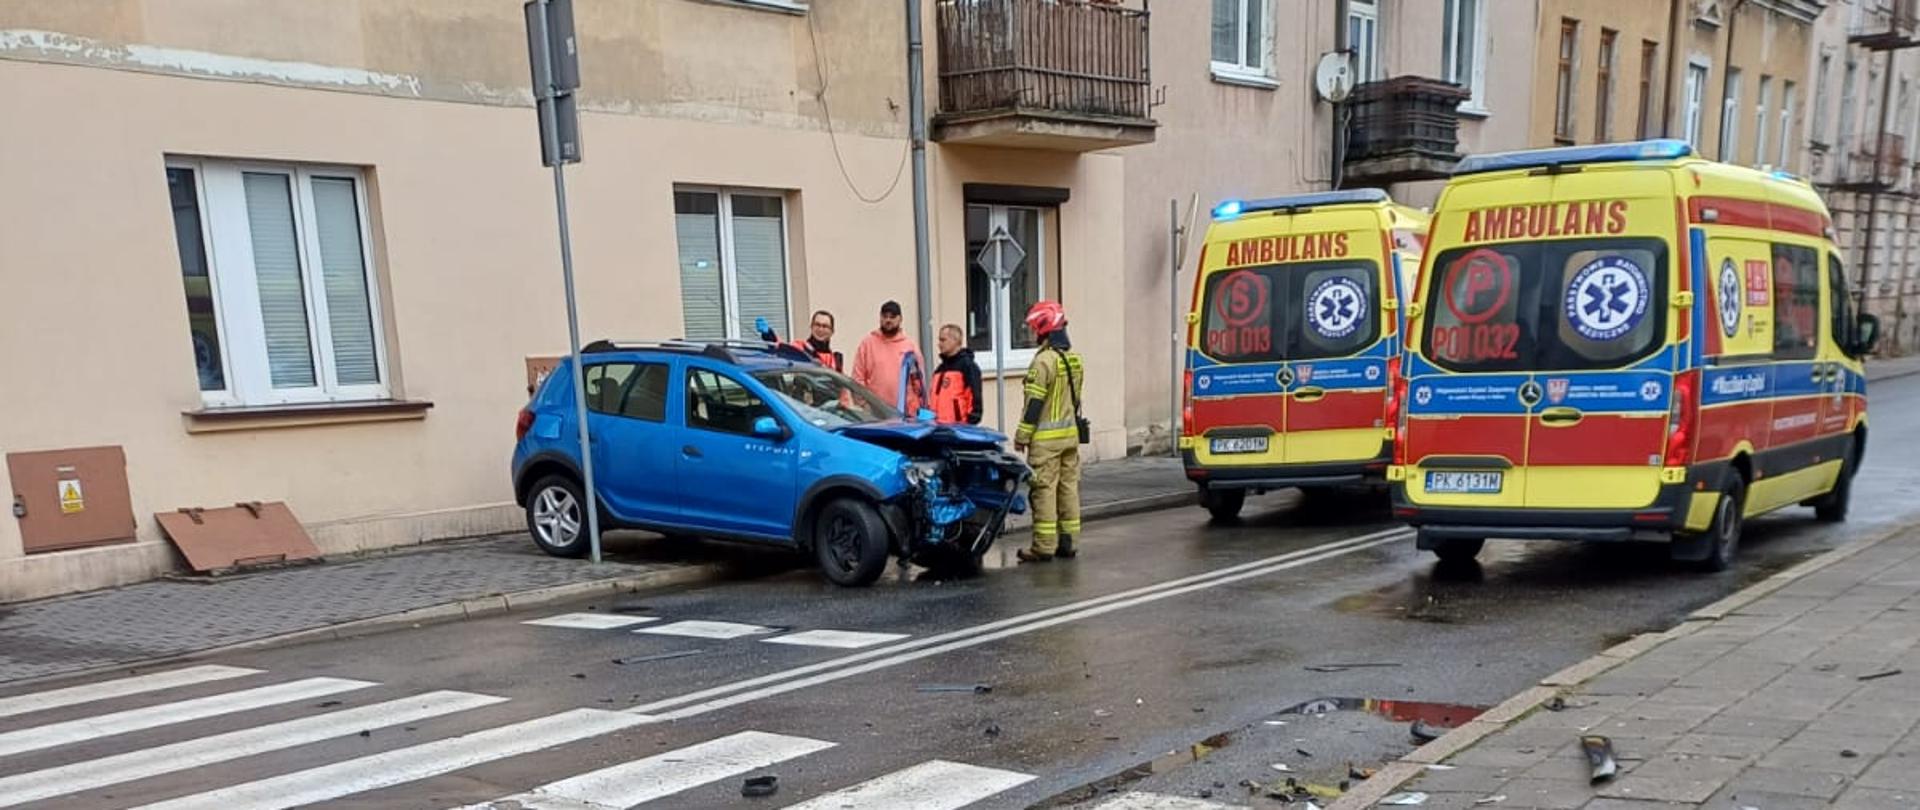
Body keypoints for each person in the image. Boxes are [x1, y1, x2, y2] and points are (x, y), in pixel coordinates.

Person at [1014, 300, 1086, 563]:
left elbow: (1034, 405)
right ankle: (1068, 543)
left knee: (1043, 491)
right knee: (1068, 490)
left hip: (1045, 442)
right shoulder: (1074, 359)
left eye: (1035, 329)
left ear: (1044, 329)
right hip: (1070, 438)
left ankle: (1043, 547)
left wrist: (1022, 436)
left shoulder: (1043, 362)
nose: (1034, 334)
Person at [851, 300, 924, 413]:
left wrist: (916, 408)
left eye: (892, 317)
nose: (888, 320)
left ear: (900, 319)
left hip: (905, 414)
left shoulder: (910, 347)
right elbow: (858, 378)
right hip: (875, 413)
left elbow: (919, 383)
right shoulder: (867, 344)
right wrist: (865, 405)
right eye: (885, 316)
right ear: (880, 318)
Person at [930, 324, 983, 425]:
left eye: (943, 340)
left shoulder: (967, 366)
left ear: (955, 341)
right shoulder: (939, 370)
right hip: (938, 428)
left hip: (958, 429)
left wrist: (970, 422)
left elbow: (974, 398)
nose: (939, 344)